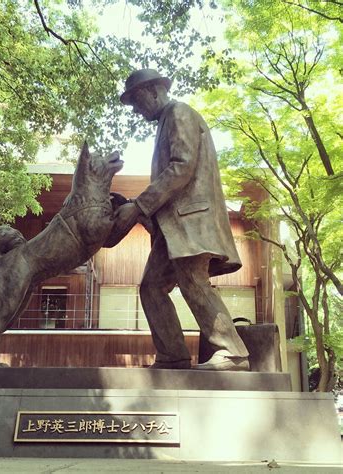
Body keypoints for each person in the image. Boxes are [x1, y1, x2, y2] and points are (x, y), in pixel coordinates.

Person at [115, 69, 249, 371]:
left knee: (192, 281)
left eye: (136, 101)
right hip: (173, 228)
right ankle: (172, 356)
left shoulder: (178, 113)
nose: (136, 110)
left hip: (190, 222)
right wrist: (139, 209)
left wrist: (139, 206)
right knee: (151, 287)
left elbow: (181, 168)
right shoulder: (167, 121)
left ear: (153, 91)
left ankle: (233, 353)